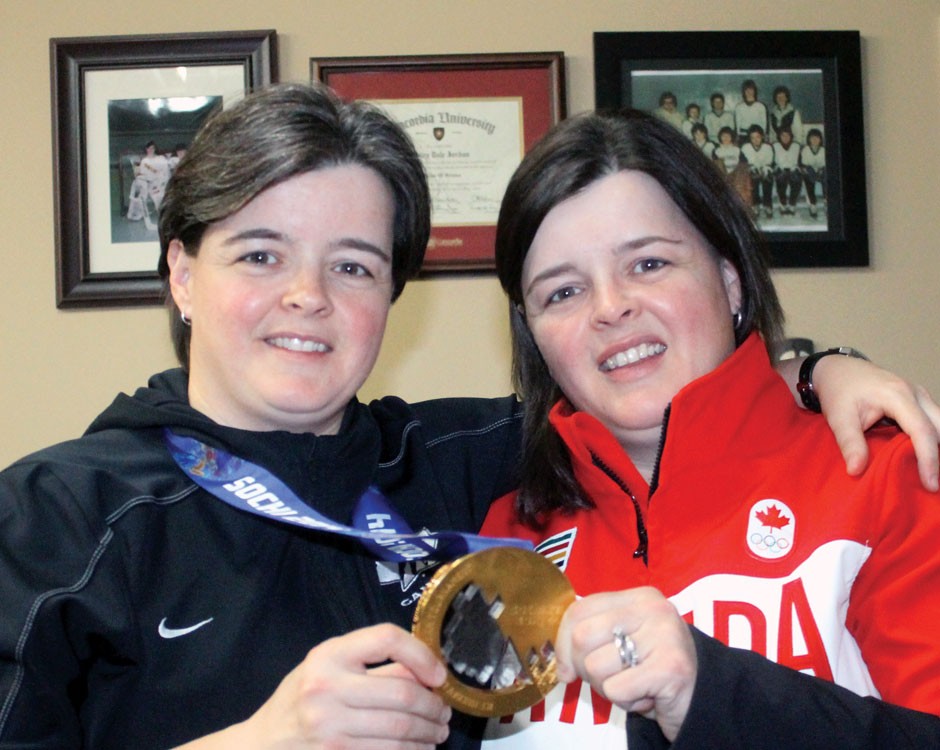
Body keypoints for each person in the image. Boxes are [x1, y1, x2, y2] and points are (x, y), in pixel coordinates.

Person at [1, 84, 939, 750]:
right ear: (180, 275)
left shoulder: (463, 462)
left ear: (390, 297)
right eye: (258, 255)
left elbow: (647, 387)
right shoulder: (49, 520)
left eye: (354, 265)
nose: (307, 296)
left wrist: (810, 367)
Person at [480, 108, 940, 748]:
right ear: (534, 337)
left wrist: (714, 692)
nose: (611, 308)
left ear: (730, 280)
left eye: (648, 264)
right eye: (562, 292)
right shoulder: (502, 537)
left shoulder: (885, 472)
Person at [740, 124, 775, 220]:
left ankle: (767, 204)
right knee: (753, 178)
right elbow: (744, 163)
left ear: (762, 137)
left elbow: (769, 162)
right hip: (751, 170)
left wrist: (763, 169)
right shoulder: (745, 147)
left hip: (764, 168)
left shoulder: (767, 147)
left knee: (768, 177)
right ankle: (756, 204)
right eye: (752, 137)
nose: (755, 140)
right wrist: (753, 168)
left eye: (758, 137)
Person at [772, 127, 803, 215]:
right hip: (780, 169)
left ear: (791, 136)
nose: (785, 138)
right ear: (779, 136)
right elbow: (772, 161)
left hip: (793, 169)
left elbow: (800, 161)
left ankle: (792, 204)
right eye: (783, 135)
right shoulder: (775, 146)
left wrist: (797, 168)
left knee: (797, 179)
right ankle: (783, 204)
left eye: (787, 135)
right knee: (781, 179)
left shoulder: (796, 146)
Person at [800, 127, 827, 219]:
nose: (815, 140)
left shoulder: (823, 150)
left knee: (826, 175)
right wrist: (810, 170)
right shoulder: (805, 150)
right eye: (812, 138)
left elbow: (825, 164)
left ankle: (826, 201)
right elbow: (804, 165)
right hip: (810, 174)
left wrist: (820, 170)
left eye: (817, 138)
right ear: (809, 139)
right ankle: (813, 204)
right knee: (807, 174)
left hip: (821, 173)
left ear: (820, 139)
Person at [733, 79, 768, 144]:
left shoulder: (761, 106)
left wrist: (764, 135)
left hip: (757, 136)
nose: (749, 92)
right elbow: (738, 123)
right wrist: (737, 136)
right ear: (744, 92)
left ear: (754, 91)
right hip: (743, 136)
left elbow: (764, 123)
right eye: (747, 90)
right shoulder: (739, 107)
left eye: (751, 90)